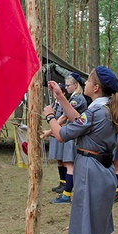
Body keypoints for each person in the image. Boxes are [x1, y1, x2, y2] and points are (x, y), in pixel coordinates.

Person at [44, 65, 118, 234]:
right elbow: (80, 120)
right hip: (103, 170)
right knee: (99, 231)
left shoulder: (95, 112)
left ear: (96, 88)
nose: (84, 83)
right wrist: (61, 97)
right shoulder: (105, 108)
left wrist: (50, 117)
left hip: (91, 171)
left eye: (88, 80)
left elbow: (61, 135)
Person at [50, 72, 87, 204]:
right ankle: (67, 192)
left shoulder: (77, 99)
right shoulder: (73, 98)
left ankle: (66, 195)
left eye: (68, 85)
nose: (66, 88)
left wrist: (50, 130)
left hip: (73, 135)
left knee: (70, 165)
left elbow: (64, 116)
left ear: (75, 85)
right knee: (67, 163)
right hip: (70, 133)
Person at [45, 83, 67, 194]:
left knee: (64, 159)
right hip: (54, 132)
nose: (54, 93)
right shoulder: (55, 104)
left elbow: (63, 118)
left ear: (63, 92)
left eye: (57, 91)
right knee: (59, 159)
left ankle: (67, 183)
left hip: (61, 132)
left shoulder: (64, 104)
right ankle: (62, 181)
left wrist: (49, 132)